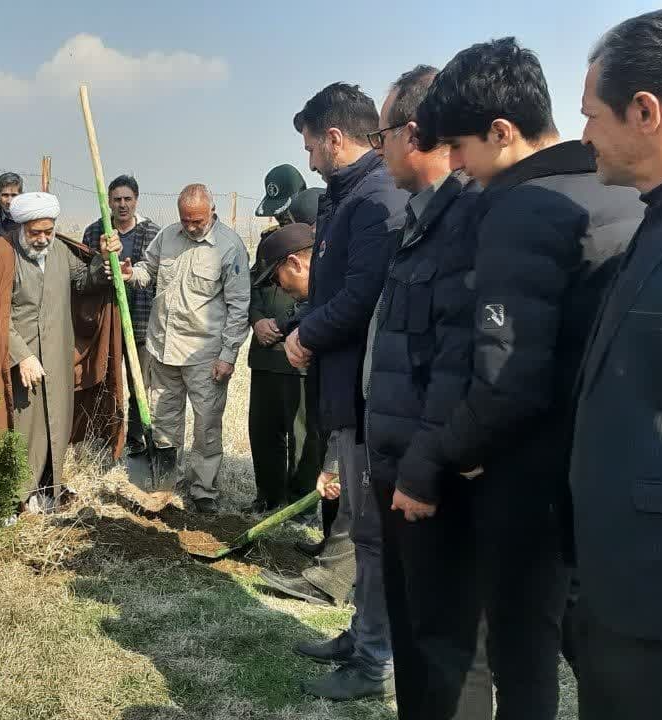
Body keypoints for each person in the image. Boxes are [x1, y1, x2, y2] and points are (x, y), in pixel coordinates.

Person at [410, 37, 642, 718]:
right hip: (606, 473)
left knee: (522, 653)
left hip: (530, 479)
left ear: (503, 132)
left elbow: (506, 380)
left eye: (459, 146)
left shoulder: (520, 209)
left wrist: (439, 455)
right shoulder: (621, 195)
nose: (454, 165)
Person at [365, 65, 492, 720]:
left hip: (431, 484)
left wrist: (423, 470)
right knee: (416, 643)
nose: (378, 149)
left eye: (382, 133)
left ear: (413, 133)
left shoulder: (466, 223)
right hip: (400, 475)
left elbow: (462, 364)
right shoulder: (421, 221)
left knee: (448, 650)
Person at [569, 10, 662, 717]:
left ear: (645, 112)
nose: (583, 135)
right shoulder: (656, 217)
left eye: (590, 114)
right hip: (620, 588)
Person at [280, 82, 408, 700]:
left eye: (310, 145)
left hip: (365, 386)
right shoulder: (345, 198)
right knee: (360, 527)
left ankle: (375, 660)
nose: (307, 158)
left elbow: (361, 296)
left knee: (375, 533)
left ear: (334, 138)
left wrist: (306, 335)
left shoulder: (375, 200)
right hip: (345, 385)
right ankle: (361, 634)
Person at [0, 192, 115, 511]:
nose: (43, 238)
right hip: (13, 361)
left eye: (49, 230)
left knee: (53, 425)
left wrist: (103, 258)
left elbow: (85, 282)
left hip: (56, 357)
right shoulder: (0, 254)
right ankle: (14, 498)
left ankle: (47, 490)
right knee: (20, 427)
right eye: (36, 232)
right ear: (21, 226)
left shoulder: (60, 251)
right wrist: (22, 356)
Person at [115, 184, 250, 516]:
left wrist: (228, 355)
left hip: (205, 356)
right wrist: (133, 273)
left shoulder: (229, 247)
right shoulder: (167, 236)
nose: (190, 227)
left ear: (212, 212)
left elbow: (239, 307)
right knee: (164, 419)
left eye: (197, 221)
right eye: (185, 220)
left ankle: (203, 489)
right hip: (163, 348)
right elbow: (149, 270)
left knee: (206, 425)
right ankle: (165, 482)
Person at [248, 166, 323, 516]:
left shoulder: (322, 246)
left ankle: (300, 504)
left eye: (285, 211)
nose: (281, 217)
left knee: (305, 434)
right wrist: (257, 320)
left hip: (302, 354)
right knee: (264, 429)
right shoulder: (271, 244)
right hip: (266, 354)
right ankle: (268, 497)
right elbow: (252, 288)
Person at [82, 174, 160, 455]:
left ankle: (138, 440)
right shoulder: (95, 233)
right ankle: (107, 436)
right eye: (117, 199)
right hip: (107, 322)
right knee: (107, 382)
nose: (122, 205)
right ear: (109, 203)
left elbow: (157, 277)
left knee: (141, 384)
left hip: (140, 321)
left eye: (128, 199)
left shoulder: (152, 234)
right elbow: (85, 275)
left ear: (136, 201)